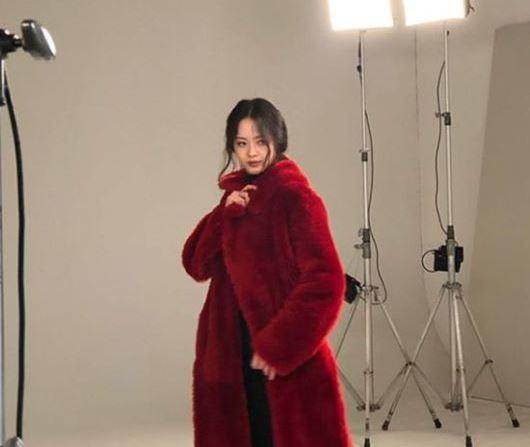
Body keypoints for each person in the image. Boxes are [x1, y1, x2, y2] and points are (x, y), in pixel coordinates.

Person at [182, 97, 355, 447]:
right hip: (230, 352)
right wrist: (222, 218)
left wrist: (279, 346)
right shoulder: (234, 198)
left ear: (278, 139)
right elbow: (196, 265)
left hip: (280, 357)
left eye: (260, 141)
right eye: (241, 143)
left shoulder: (296, 198)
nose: (252, 153)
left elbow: (326, 281)